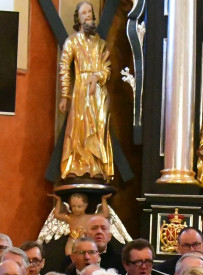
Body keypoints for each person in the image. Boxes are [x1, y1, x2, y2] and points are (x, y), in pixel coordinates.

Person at [58, 0, 113, 180]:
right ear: (78, 19)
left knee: (98, 127)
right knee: (79, 128)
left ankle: (96, 166)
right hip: (81, 90)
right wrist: (65, 95)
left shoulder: (101, 44)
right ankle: (77, 164)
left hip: (98, 91)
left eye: (90, 12)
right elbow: (64, 68)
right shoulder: (72, 41)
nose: (88, 15)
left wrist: (97, 77)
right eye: (84, 13)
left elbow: (107, 68)